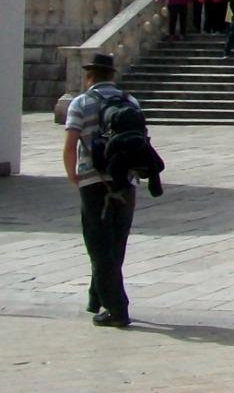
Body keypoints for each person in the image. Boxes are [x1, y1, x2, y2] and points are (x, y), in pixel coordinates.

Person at [63, 51, 138, 326]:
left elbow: (70, 145)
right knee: (116, 243)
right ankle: (97, 298)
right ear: (112, 75)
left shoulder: (81, 103)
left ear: (89, 77)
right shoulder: (130, 101)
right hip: (126, 181)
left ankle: (117, 309)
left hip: (93, 181)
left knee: (98, 246)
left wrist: (73, 175)